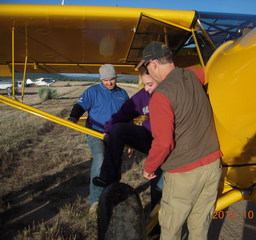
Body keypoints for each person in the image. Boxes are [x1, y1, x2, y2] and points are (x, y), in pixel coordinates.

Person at [139, 41, 222, 240]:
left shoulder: (160, 96)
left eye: (146, 67)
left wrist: (149, 167)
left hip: (184, 172)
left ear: (154, 64)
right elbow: (214, 72)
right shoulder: (192, 75)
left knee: (171, 227)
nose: (147, 71)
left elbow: (163, 142)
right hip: (213, 164)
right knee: (200, 225)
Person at [92, 70, 162, 208]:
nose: (146, 88)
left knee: (159, 179)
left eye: (149, 84)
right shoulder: (144, 95)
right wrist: (108, 130)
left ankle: (157, 216)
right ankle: (108, 176)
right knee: (117, 129)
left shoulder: (172, 93)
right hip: (150, 137)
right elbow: (124, 112)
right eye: (144, 84)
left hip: (166, 142)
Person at [68, 64, 129, 213]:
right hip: (95, 132)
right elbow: (80, 106)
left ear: (116, 78)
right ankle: (95, 201)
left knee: (114, 164)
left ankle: (112, 196)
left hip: (115, 135)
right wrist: (73, 118)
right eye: (106, 80)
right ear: (101, 80)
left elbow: (128, 117)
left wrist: (130, 141)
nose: (109, 83)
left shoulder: (123, 94)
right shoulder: (92, 92)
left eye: (112, 79)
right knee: (100, 157)